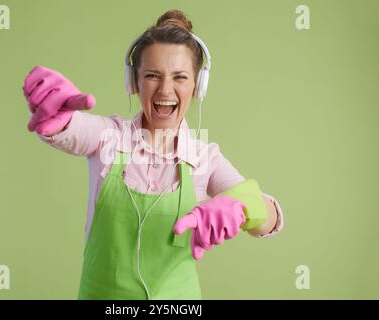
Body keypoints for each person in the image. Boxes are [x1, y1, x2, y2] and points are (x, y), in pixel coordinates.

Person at [22, 9, 284, 300]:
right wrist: (60, 117)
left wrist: (245, 208)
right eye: (152, 75)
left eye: (180, 77)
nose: (165, 89)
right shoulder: (108, 137)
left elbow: (270, 219)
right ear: (133, 82)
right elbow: (75, 129)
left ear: (198, 86)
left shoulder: (204, 158)